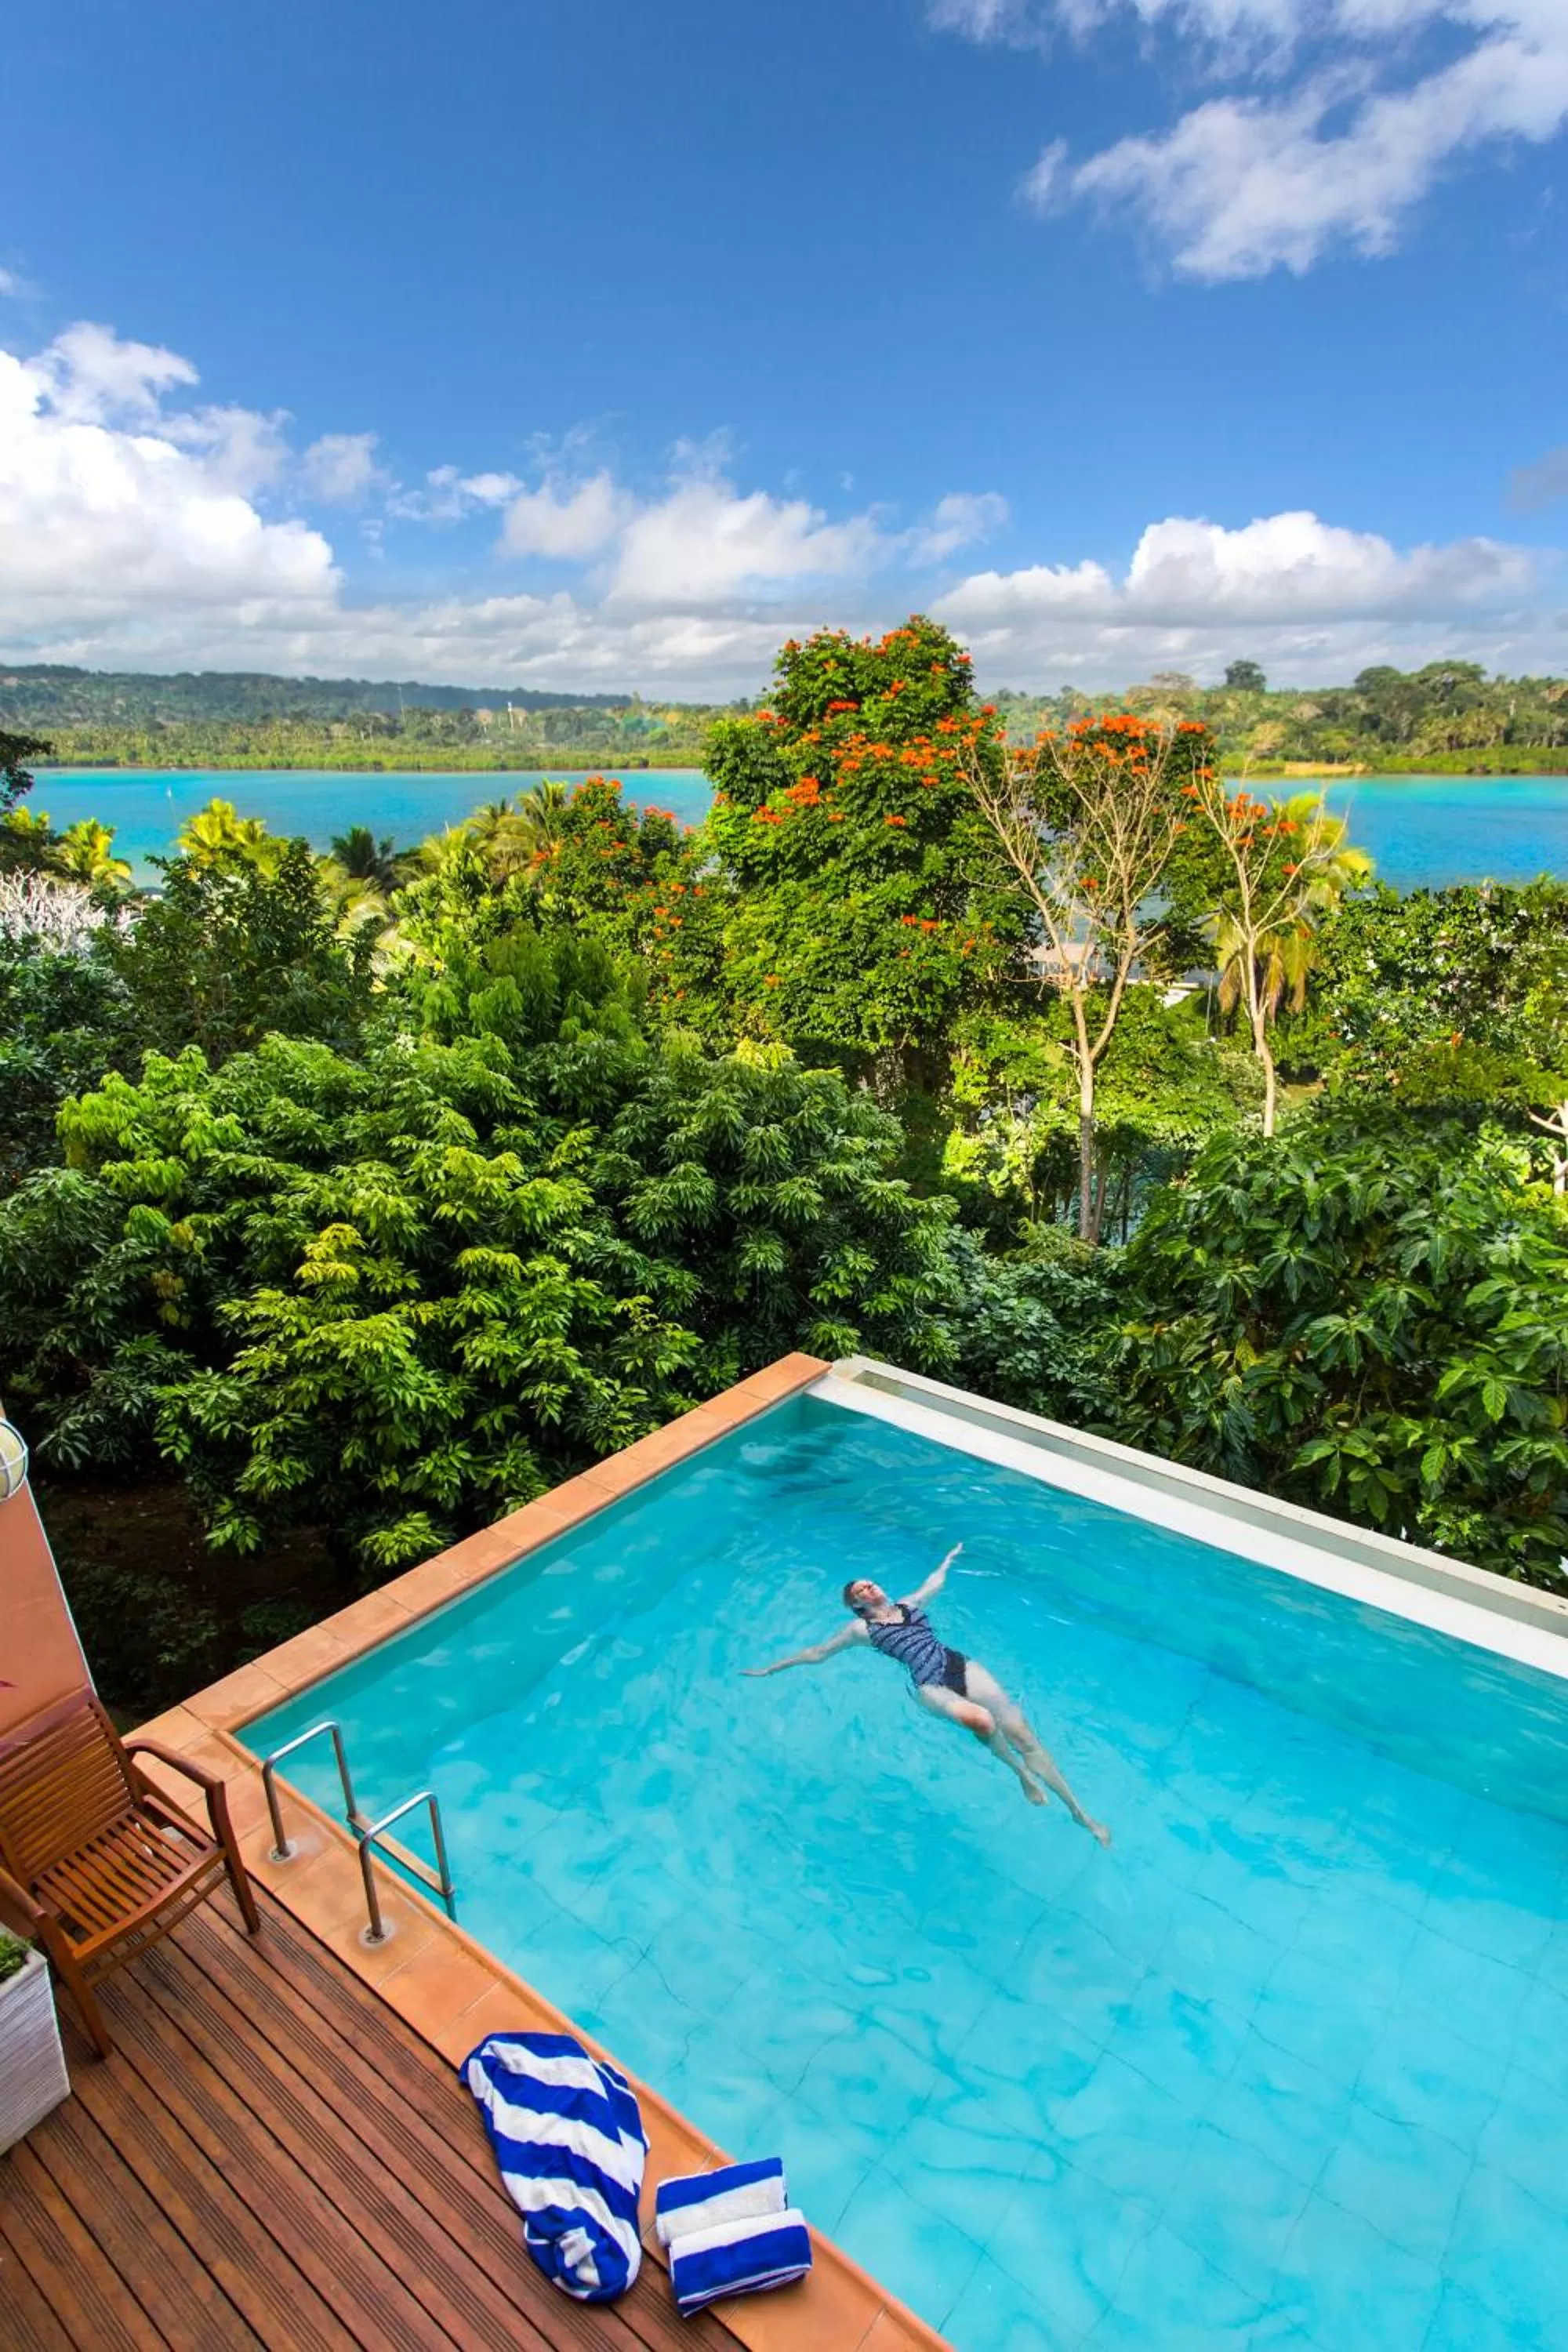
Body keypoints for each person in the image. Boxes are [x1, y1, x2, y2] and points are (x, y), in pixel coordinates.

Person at [745, 1543, 1109, 1841]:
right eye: (861, 1591)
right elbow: (819, 1653)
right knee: (981, 1721)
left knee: (1020, 1730)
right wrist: (772, 1668)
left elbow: (933, 1584)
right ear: (856, 1604)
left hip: (957, 1664)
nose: (870, 1589)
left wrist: (950, 1558)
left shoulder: (909, 1604)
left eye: (871, 1584)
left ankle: (1080, 1813)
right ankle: (1021, 1775)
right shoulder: (861, 1630)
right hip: (930, 1685)